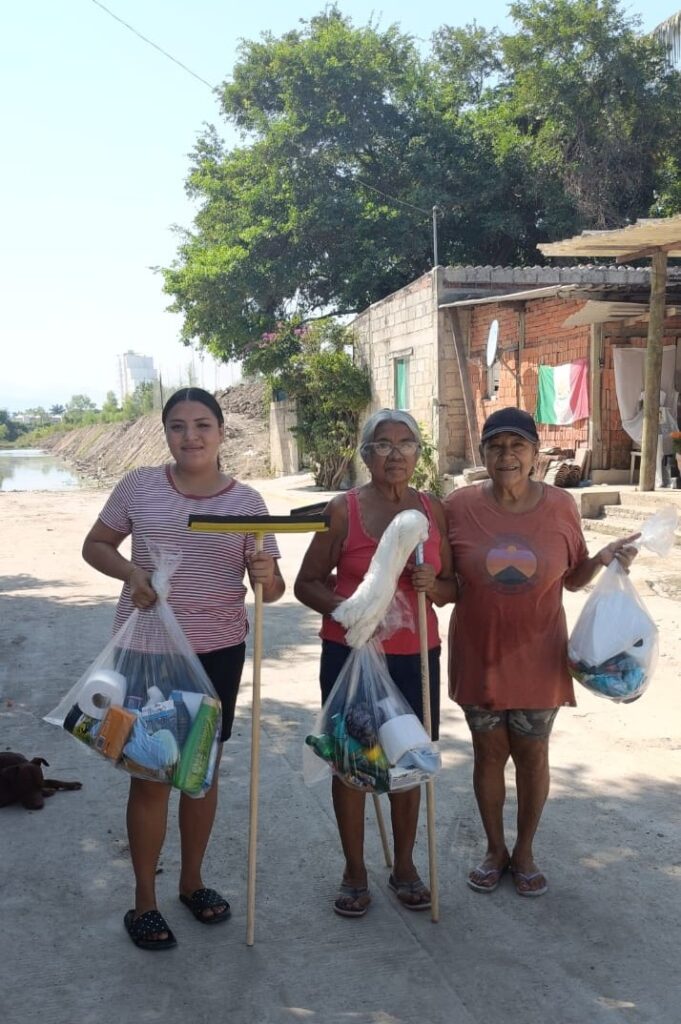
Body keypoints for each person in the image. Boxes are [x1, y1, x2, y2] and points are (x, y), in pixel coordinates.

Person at [82, 387, 284, 949]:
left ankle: (192, 882)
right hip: (149, 651)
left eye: (201, 425)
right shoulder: (139, 486)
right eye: (177, 426)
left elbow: (272, 590)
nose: (190, 436)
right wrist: (132, 574)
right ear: (166, 432)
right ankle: (144, 901)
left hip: (218, 652)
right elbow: (96, 545)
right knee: (150, 774)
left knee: (200, 773)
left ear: (221, 432)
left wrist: (266, 574)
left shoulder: (247, 504)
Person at [444, 407, 638, 897]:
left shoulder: (560, 507)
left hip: (539, 656)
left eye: (517, 446)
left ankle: (525, 851)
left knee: (532, 754)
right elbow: (446, 581)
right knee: (488, 754)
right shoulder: (458, 506)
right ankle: (495, 850)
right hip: (480, 654)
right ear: (483, 453)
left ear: (535, 454)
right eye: (495, 446)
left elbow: (572, 579)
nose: (506, 455)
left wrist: (603, 559)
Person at [294, 409, 458, 916]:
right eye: (382, 444)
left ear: (418, 454)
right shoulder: (343, 510)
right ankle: (354, 870)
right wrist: (348, 611)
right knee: (352, 761)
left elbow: (453, 586)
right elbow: (306, 582)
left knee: (408, 759)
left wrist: (435, 586)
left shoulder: (431, 510)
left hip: (416, 654)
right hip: (351, 653)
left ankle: (404, 866)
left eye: (406, 444)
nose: (395, 454)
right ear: (365, 455)